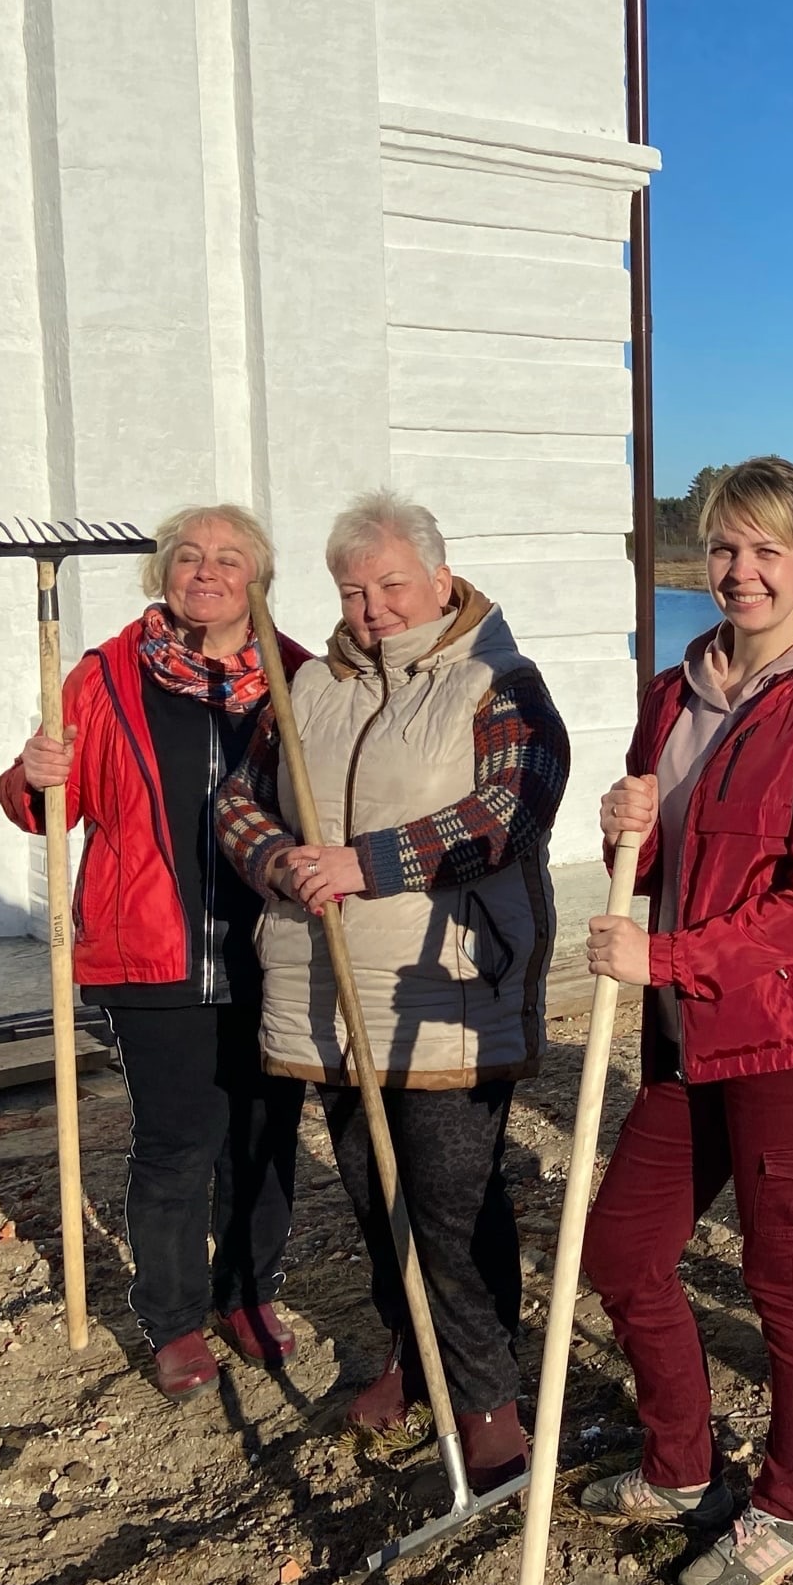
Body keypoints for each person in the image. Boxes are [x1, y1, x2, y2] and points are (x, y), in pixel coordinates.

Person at [575, 457, 793, 1585]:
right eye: (723, 548)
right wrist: (632, 829)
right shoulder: (675, 691)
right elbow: (663, 852)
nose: (741, 571)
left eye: (767, 550)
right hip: (688, 1039)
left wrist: (663, 958)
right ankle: (680, 1461)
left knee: (785, 1277)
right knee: (621, 1253)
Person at [212, 492, 570, 1491]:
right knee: (375, 1196)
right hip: (328, 985)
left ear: (440, 580)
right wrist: (285, 863)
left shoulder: (497, 682)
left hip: (447, 986)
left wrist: (364, 865)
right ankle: (412, 1362)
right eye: (352, 591)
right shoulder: (307, 688)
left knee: (450, 1207)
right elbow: (237, 802)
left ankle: (487, 1399)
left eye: (391, 587)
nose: (370, 608)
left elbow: (508, 810)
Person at [0, 504, 310, 1400]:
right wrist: (33, 777)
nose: (206, 571)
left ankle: (250, 1292)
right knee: (177, 1138)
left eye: (229, 558)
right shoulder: (106, 677)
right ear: (163, 572)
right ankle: (171, 1318)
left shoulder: (298, 677)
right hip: (150, 947)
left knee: (263, 1129)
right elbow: (36, 806)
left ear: (258, 575)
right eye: (188, 556)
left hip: (269, 945)